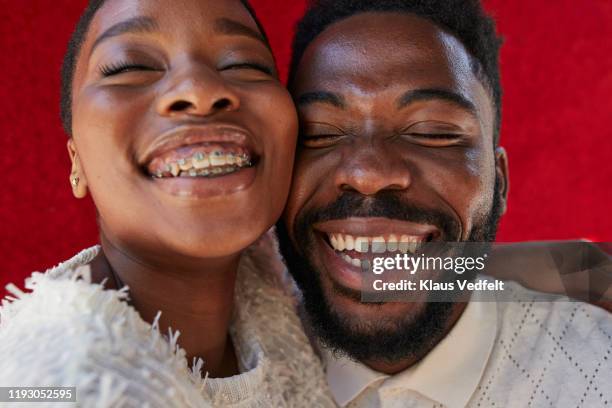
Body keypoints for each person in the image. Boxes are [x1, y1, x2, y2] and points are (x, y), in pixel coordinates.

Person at [276, 0, 612, 407]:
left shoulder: (597, 369)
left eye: (433, 132)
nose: (369, 173)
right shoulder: (217, 361)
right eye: (319, 134)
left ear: (499, 183)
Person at [0, 0, 335, 406]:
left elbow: (428, 277)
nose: (200, 90)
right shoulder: (55, 383)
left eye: (243, 64)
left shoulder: (286, 276)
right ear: (77, 164)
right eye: (129, 67)